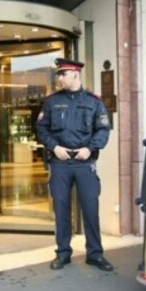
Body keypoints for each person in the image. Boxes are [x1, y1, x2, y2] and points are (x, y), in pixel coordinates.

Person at [36, 58, 113, 272]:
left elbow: (103, 129)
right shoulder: (51, 102)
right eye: (59, 74)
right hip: (60, 162)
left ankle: (95, 254)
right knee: (61, 209)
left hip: (84, 162)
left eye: (63, 74)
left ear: (75, 75)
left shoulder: (93, 101)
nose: (59, 78)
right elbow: (41, 129)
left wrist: (90, 148)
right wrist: (54, 147)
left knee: (90, 207)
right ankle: (63, 253)